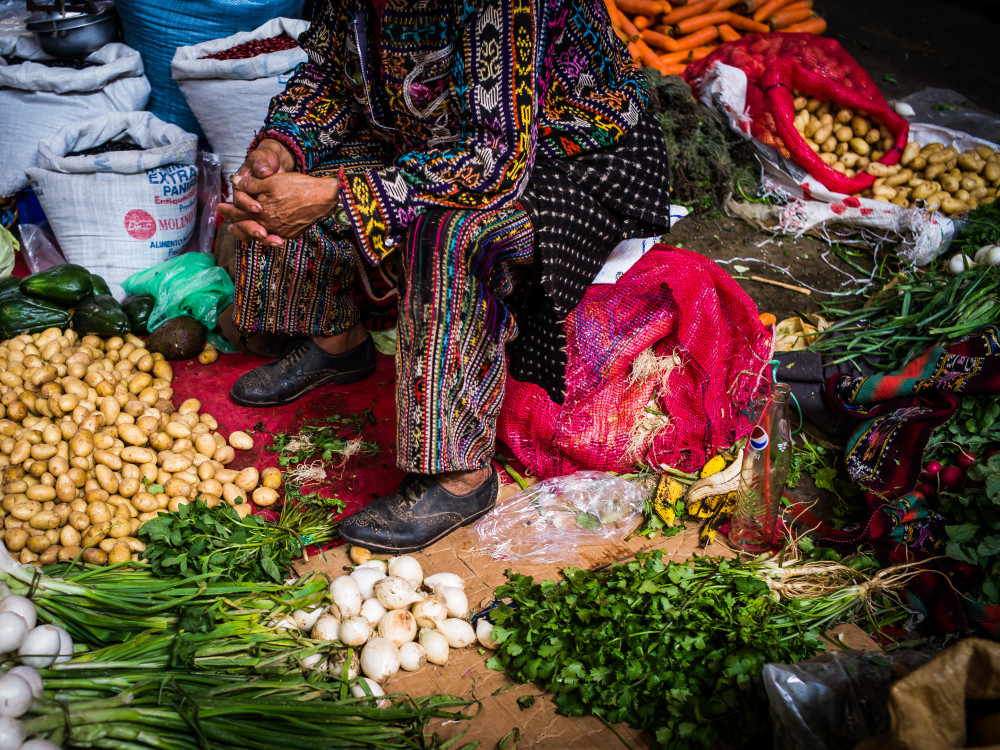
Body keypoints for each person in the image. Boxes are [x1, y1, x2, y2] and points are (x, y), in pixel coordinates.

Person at [218, 0, 673, 553]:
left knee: (452, 233)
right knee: (303, 171)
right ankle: (336, 342)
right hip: (437, 143)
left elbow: (495, 157)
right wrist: (279, 149)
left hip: (563, 159)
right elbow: (327, 79)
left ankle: (461, 476)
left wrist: (342, 195)